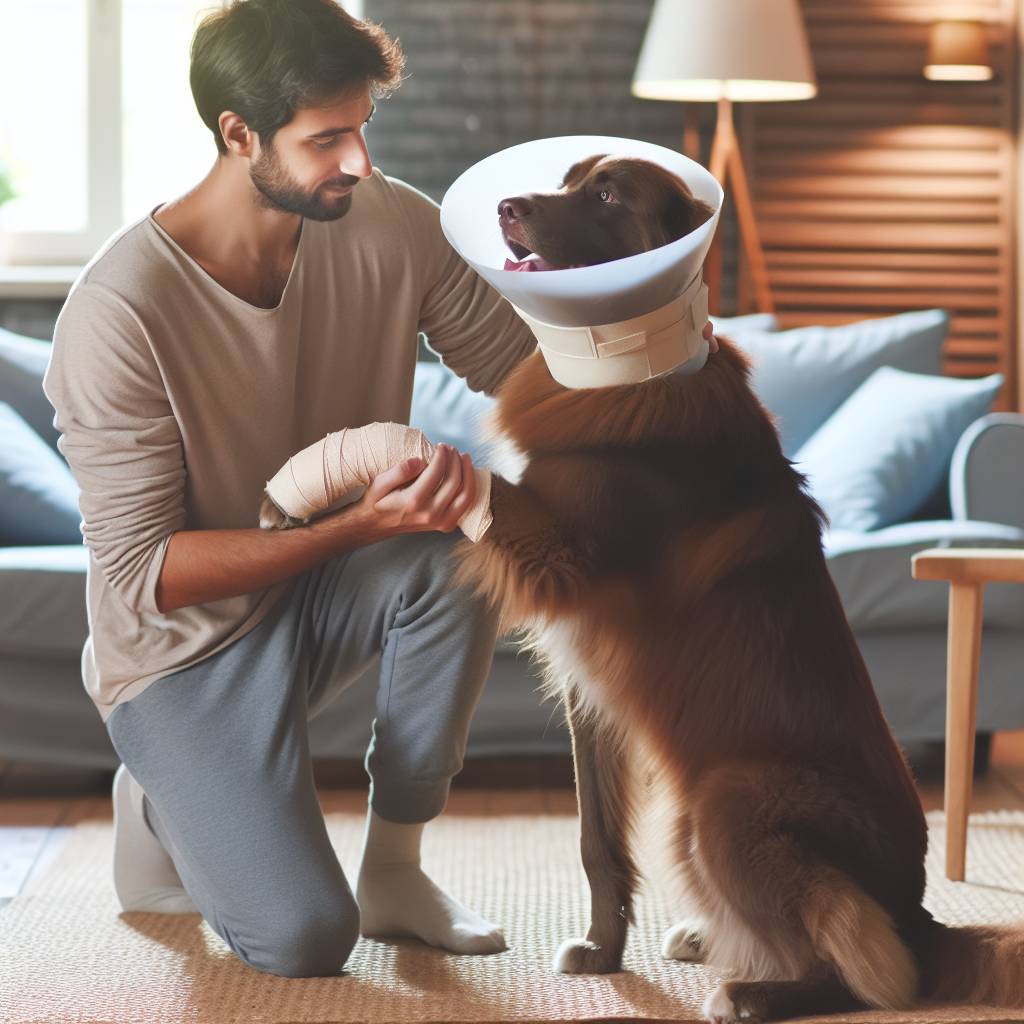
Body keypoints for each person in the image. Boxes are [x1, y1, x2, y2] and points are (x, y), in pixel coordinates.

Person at [42, 0, 716, 979]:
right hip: (179, 658)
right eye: (326, 138)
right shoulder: (118, 311)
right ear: (239, 135)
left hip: (312, 597)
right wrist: (359, 523)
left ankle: (394, 866)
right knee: (305, 941)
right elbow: (152, 576)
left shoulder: (388, 221)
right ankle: (158, 790)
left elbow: (524, 373)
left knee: (458, 553)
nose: (357, 159)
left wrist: (667, 343)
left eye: (363, 127)